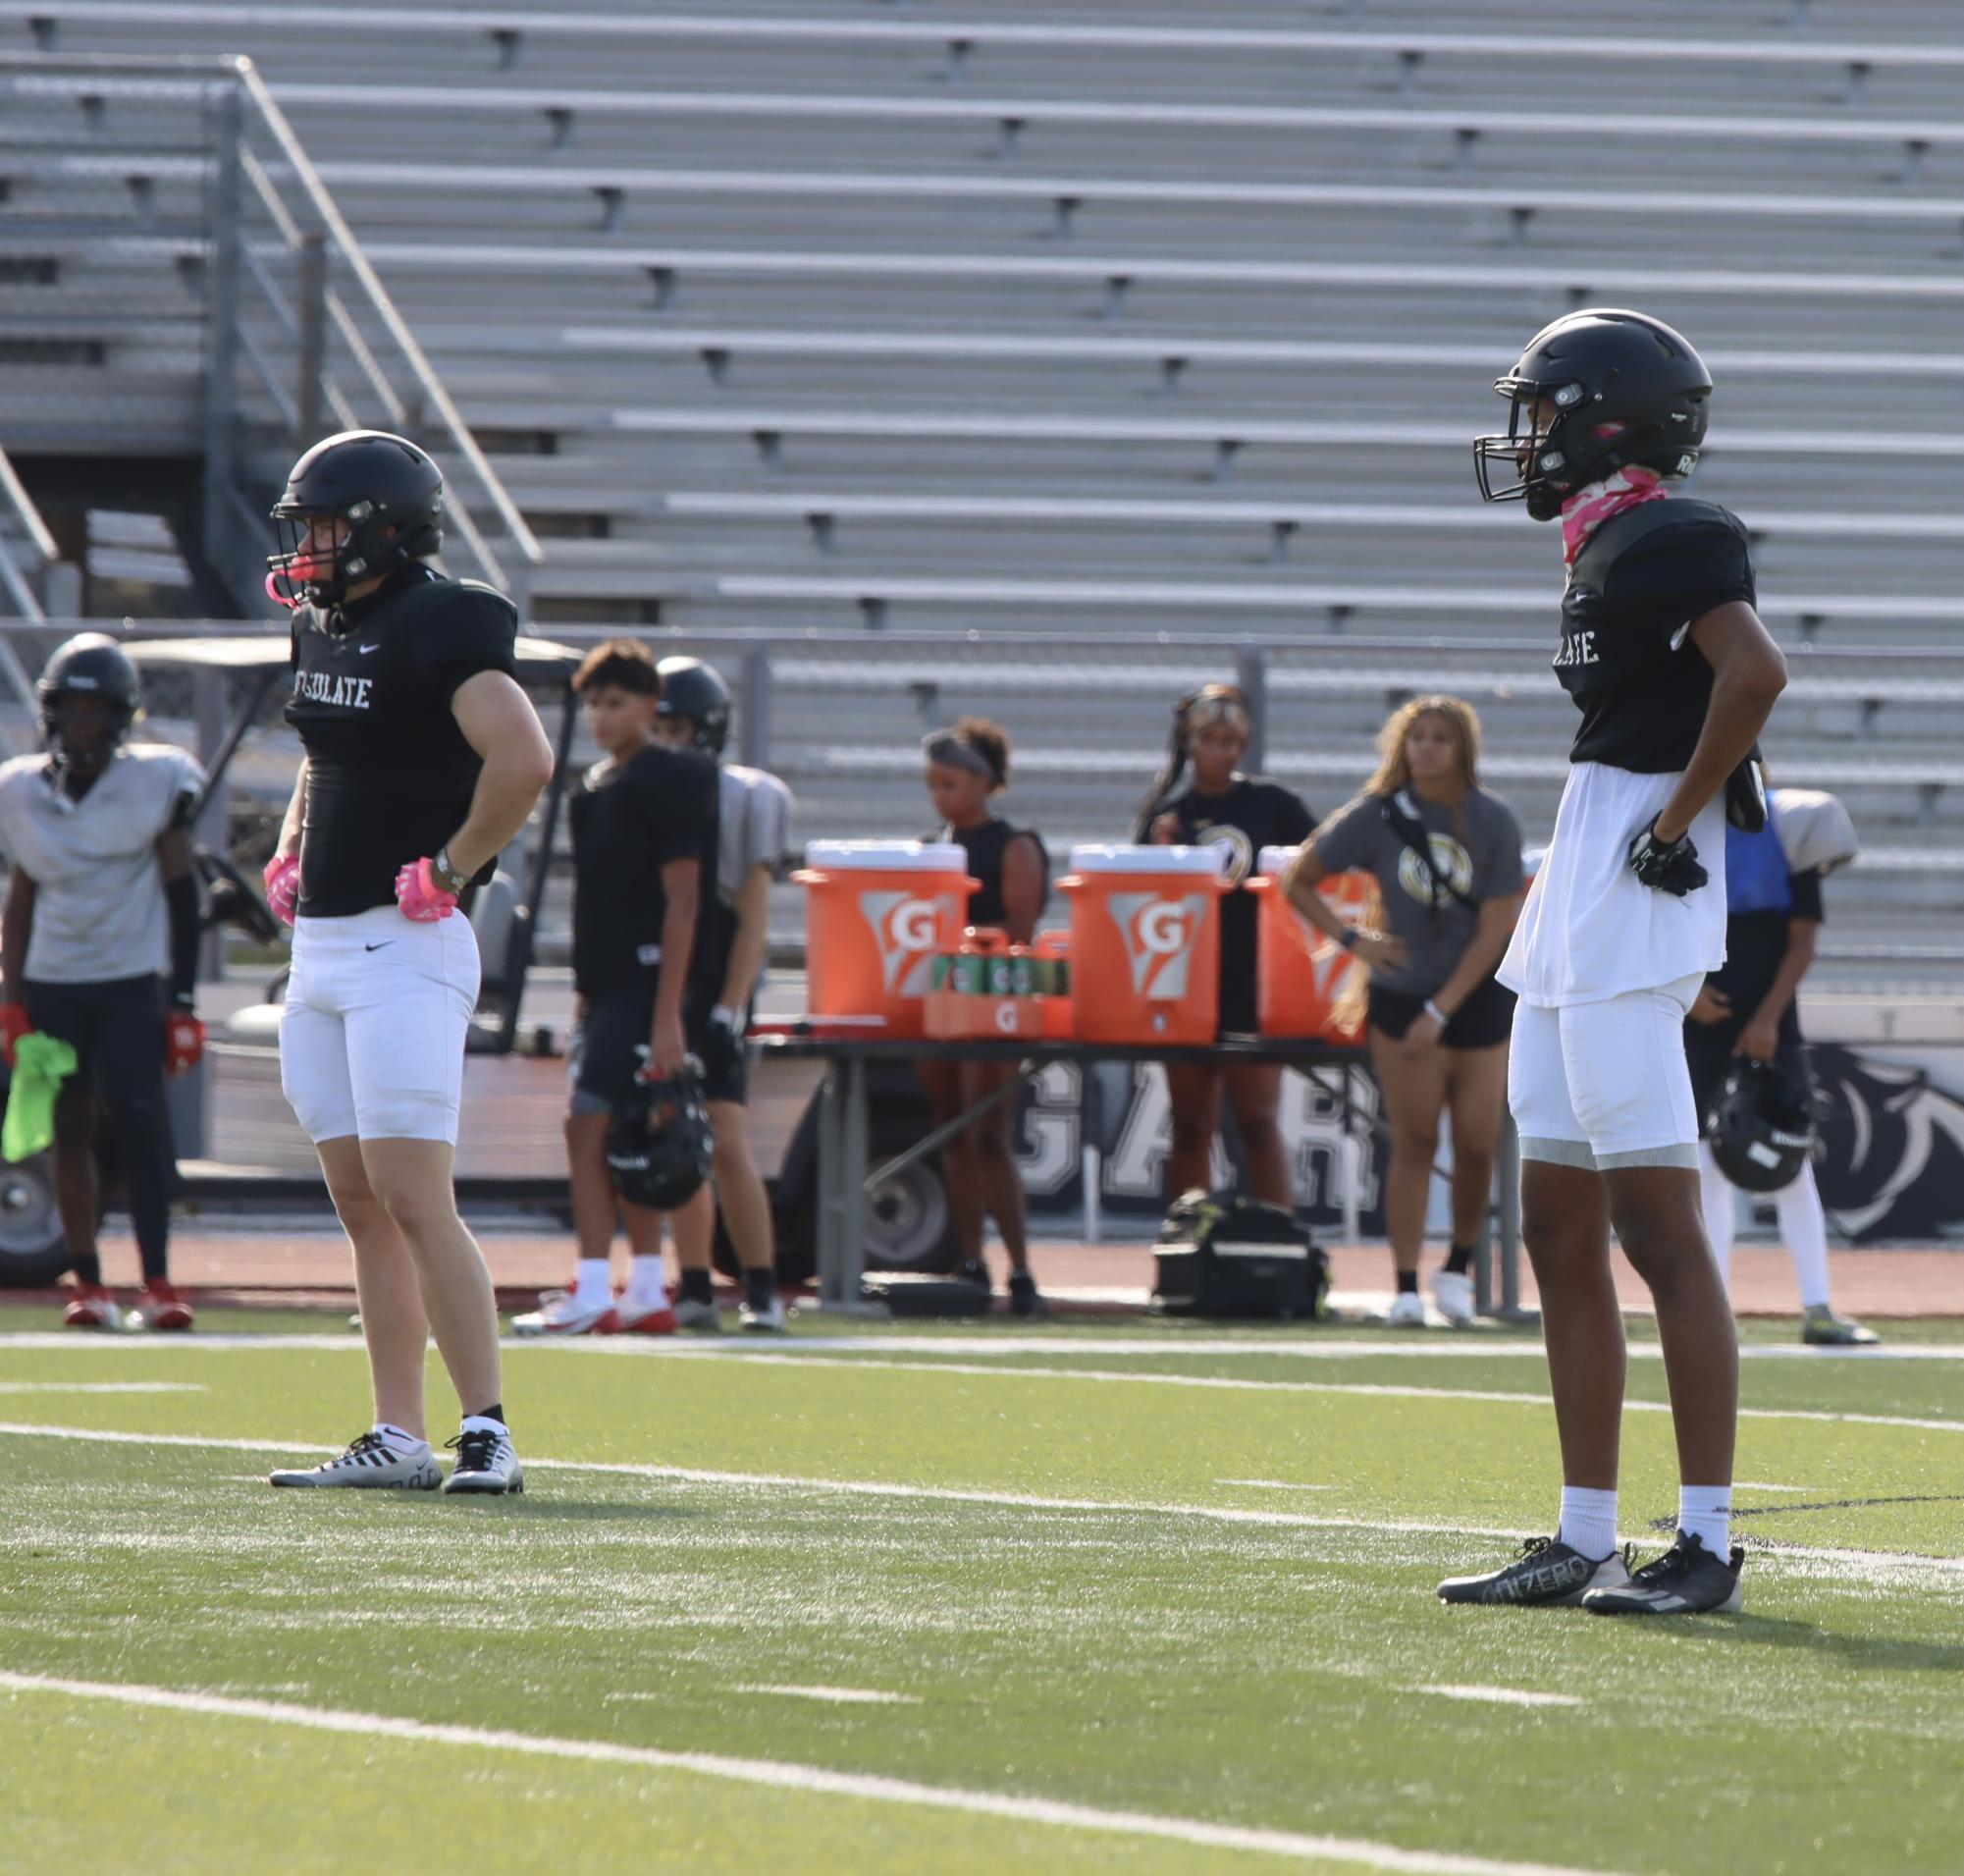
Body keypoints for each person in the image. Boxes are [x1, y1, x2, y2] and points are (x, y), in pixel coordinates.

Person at [1440, 308, 1786, 1616]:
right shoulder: (1610, 540)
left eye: (1542, 412)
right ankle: (1584, 1530)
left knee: (1655, 1225)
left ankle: (1703, 1538)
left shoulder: (1675, 534)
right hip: (1584, 877)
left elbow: (1753, 671)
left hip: (1635, 887)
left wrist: (1677, 816)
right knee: (1554, 1221)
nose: (1525, 438)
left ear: (1605, 419)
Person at [261, 429, 555, 1496]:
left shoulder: (444, 619)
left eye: (330, 525)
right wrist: (291, 846)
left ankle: (488, 1428)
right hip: (325, 948)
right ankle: (396, 1432)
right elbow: (319, 753)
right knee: (358, 1199)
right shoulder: (322, 622)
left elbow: (523, 759)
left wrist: (453, 865)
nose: (312, 547)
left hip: (406, 945)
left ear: (385, 526)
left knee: (413, 1193)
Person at [1283, 697, 1522, 1327]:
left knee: (1476, 1144)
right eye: (1417, 737)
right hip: (1400, 995)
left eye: (1442, 738)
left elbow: (1497, 925)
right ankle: (1407, 1285)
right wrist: (1352, 939)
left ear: (1463, 748)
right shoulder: (1376, 816)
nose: (1428, 748)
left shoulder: (1494, 818)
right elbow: (1298, 878)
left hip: (1475, 999)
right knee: (1414, 1141)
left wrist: (1441, 1011)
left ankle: (1457, 1271)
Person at [0, 635, 206, 1333]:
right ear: (52, 713)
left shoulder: (157, 778)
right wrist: (11, 1002)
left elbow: (183, 893)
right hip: (55, 980)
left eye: (97, 711)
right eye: (73, 709)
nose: (83, 724)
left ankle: (157, 1279)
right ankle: (88, 1282)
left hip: (129, 979)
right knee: (69, 1127)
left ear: (121, 718)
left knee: (143, 1123)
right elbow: (19, 904)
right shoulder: (20, 788)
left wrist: (181, 1000)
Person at [516, 641, 719, 1339]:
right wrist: (584, 993)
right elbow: (593, 905)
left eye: (616, 702)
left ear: (650, 705)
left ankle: (603, 1284)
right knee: (616, 1132)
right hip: (609, 986)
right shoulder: (592, 790)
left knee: (594, 1123)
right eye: (593, 703)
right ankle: (636, 1287)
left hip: (647, 980)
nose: (602, 716)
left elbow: (683, 900)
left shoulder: (673, 777)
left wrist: (668, 1013)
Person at [1687, 783, 1876, 1347]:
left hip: (1769, 1025)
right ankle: (1709, 1309)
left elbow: (1801, 941)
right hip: (1696, 1020)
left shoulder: (1787, 836)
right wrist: (1688, 990)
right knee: (1705, 1163)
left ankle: (1817, 1306)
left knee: (1791, 1164)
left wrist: (1767, 1018)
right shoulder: (1678, 834)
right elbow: (1656, 925)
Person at [651, 655, 795, 1332]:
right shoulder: (635, 785)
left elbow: (755, 916)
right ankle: (696, 1282)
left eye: (675, 725)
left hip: (716, 974)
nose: (666, 738)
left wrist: (729, 1007)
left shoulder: (749, 795)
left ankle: (763, 1286)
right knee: (672, 1132)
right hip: (663, 972)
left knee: (727, 1138)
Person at [1133, 684, 1313, 1209]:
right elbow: (1143, 904)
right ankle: (1187, 1242)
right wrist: (1158, 854)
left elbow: (1321, 860)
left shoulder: (1271, 804)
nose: (1222, 751)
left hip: (1254, 982)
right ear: (1190, 743)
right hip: (1185, 978)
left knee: (1257, 1121)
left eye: (1231, 741)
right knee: (1190, 1124)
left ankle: (1283, 1241)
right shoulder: (1167, 818)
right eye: (1210, 739)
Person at [917, 719, 1050, 1316]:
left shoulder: (1015, 845)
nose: (939, 794)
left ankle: (1020, 1269)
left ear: (982, 781)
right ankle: (970, 1260)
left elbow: (1020, 932)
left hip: (996, 1000)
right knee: (950, 1131)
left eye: (950, 782)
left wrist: (958, 939)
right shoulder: (929, 849)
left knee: (988, 1135)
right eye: (933, 784)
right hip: (943, 1002)